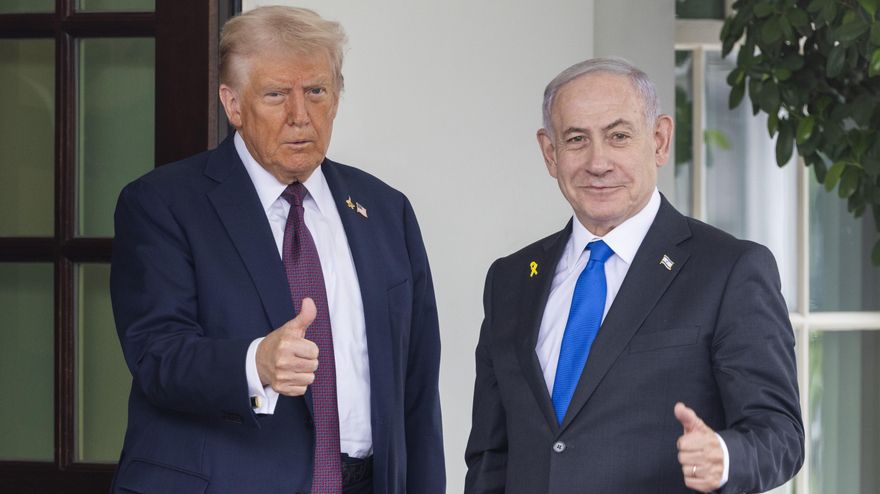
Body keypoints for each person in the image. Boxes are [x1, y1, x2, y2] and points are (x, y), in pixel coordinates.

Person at [110, 6, 444, 494]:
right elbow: (157, 355)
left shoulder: (385, 210)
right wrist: (255, 365)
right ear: (233, 104)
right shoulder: (162, 204)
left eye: (316, 91)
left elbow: (416, 385)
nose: (300, 116)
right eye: (275, 94)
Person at [464, 58, 803, 493]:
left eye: (619, 136)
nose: (597, 162)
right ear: (550, 153)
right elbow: (491, 455)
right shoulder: (510, 280)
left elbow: (781, 434)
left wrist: (725, 454)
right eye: (576, 140)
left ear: (659, 141)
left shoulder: (730, 270)